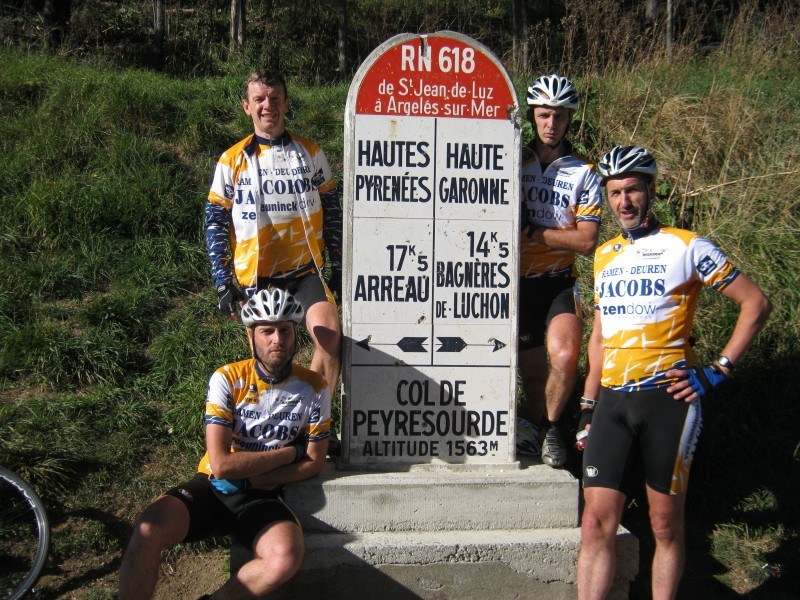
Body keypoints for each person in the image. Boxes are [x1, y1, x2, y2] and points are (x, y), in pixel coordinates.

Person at [576, 145, 771, 599]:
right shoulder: (604, 255)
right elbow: (600, 338)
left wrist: (717, 371)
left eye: (632, 190)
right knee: (594, 522)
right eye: (614, 192)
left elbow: (755, 303)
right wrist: (587, 403)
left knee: (664, 524)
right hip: (611, 401)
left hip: (668, 399)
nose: (623, 202)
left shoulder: (688, 245)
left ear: (651, 191)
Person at [118, 288, 331, 600]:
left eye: (285, 331)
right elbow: (221, 464)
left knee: (285, 558)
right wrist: (289, 452)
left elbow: (314, 462)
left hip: (261, 496)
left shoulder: (315, 386)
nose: (277, 340)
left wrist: (256, 477)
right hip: (213, 486)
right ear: (251, 337)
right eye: (267, 331)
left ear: (295, 334)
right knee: (149, 529)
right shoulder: (227, 378)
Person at [205, 69, 343, 402]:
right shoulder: (232, 160)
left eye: (275, 98)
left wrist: (337, 263)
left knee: (331, 339)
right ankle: (277, 430)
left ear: (286, 104)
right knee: (273, 358)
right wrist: (223, 282)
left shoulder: (309, 152)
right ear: (247, 107)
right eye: (260, 99)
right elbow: (215, 221)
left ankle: (315, 423)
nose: (268, 105)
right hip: (259, 277)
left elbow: (333, 209)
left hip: (305, 272)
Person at [517, 74, 603, 468]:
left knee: (566, 357)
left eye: (560, 117)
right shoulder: (511, 159)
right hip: (514, 281)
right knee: (533, 374)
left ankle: (551, 428)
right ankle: (531, 433)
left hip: (557, 282)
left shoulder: (584, 171)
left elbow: (586, 241)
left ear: (571, 120)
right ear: (533, 116)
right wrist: (558, 234)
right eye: (544, 115)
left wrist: (534, 230)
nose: (552, 124)